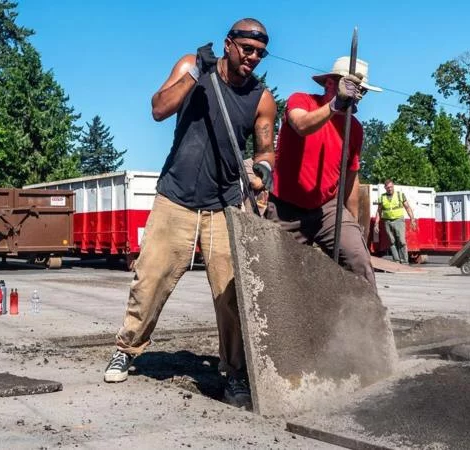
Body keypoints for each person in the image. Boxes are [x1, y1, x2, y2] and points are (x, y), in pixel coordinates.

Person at [103, 18, 277, 411]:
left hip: (225, 204)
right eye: (247, 50)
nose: (252, 59)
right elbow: (158, 109)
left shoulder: (261, 97)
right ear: (229, 44)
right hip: (176, 196)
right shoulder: (191, 68)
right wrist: (196, 73)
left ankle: (234, 373)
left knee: (232, 294)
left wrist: (262, 171)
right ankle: (126, 349)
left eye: (260, 54)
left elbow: (267, 149)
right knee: (149, 279)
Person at [266, 56, 381, 288]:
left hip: (327, 209)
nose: (356, 94)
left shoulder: (354, 128)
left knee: (358, 260)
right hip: (286, 208)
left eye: (361, 91)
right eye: (350, 86)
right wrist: (335, 105)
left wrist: (355, 225)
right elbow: (301, 126)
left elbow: (350, 179)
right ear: (330, 83)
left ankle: (368, 321)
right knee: (278, 275)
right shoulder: (302, 100)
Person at [373, 179, 417, 264]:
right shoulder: (382, 197)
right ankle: (396, 260)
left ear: (393, 186)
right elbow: (379, 211)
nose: (389, 189)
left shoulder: (400, 195)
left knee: (401, 241)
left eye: (391, 187)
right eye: (388, 187)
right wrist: (376, 224)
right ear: (385, 188)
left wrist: (412, 219)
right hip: (387, 221)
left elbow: (407, 207)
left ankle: (404, 261)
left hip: (399, 220)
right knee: (392, 241)